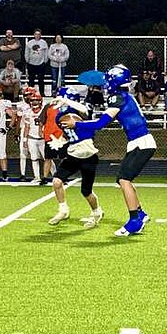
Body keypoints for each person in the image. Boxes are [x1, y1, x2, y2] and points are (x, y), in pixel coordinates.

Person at [67, 64, 155, 237]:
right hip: (139, 141)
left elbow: (101, 124)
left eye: (108, 80)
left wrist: (76, 124)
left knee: (123, 179)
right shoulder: (123, 96)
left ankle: (134, 220)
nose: (106, 83)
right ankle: (140, 214)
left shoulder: (118, 98)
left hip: (141, 142)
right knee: (124, 179)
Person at [47, 86, 104, 228]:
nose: (57, 103)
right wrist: (60, 141)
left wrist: (66, 100)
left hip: (88, 154)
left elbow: (84, 110)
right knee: (56, 181)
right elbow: (69, 134)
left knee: (86, 191)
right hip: (73, 154)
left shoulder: (80, 111)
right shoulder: (60, 116)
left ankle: (97, 212)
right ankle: (63, 209)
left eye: (61, 99)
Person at [20, 91, 46, 184]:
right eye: (33, 100)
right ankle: (37, 176)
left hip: (43, 138)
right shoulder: (28, 112)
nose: (34, 103)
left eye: (36, 100)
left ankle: (55, 175)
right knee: (34, 158)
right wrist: (24, 139)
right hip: (32, 138)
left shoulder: (44, 111)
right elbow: (27, 127)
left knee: (47, 158)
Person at [24, 29, 48, 96]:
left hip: (41, 64)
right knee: (31, 79)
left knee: (41, 80)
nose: (37, 35)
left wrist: (45, 61)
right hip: (31, 63)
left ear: (40, 35)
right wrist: (27, 60)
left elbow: (46, 52)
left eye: (38, 34)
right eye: (36, 34)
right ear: (34, 35)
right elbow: (27, 52)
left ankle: (42, 93)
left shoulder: (43, 42)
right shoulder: (30, 42)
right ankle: (31, 93)